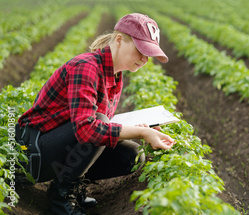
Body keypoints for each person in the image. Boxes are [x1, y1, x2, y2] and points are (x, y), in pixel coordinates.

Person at [15, 13, 176, 215]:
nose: (145, 59)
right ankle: (61, 199)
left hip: (54, 149)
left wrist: (137, 129)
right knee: (97, 125)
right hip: (31, 154)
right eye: (141, 50)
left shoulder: (115, 75)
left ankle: (68, 184)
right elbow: (87, 130)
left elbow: (95, 129)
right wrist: (141, 133)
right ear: (119, 40)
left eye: (149, 54)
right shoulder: (86, 68)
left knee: (132, 156)